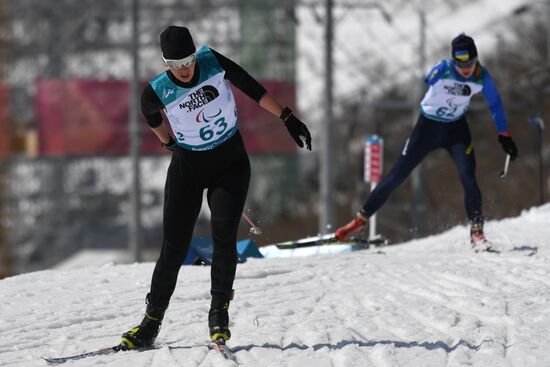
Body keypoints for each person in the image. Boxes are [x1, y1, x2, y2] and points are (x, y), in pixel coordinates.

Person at [120, 25, 312, 350]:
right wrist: (167, 141)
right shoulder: (156, 91)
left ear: (195, 54)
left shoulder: (212, 62)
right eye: (175, 63)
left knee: (224, 239)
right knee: (174, 248)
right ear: (165, 64)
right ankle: (150, 323)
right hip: (188, 171)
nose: (184, 68)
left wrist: (287, 117)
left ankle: (218, 314)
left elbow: (251, 87)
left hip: (230, 166)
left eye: (188, 60)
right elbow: (149, 115)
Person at [335, 33, 518, 247]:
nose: (467, 68)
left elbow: (495, 104)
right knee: (397, 175)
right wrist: (437, 75)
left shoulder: (482, 77)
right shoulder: (443, 70)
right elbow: (428, 79)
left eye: (471, 62)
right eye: (462, 64)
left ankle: (476, 232)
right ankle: (360, 220)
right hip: (427, 128)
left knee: (468, 177)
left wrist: (503, 135)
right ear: (453, 62)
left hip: (456, 130)